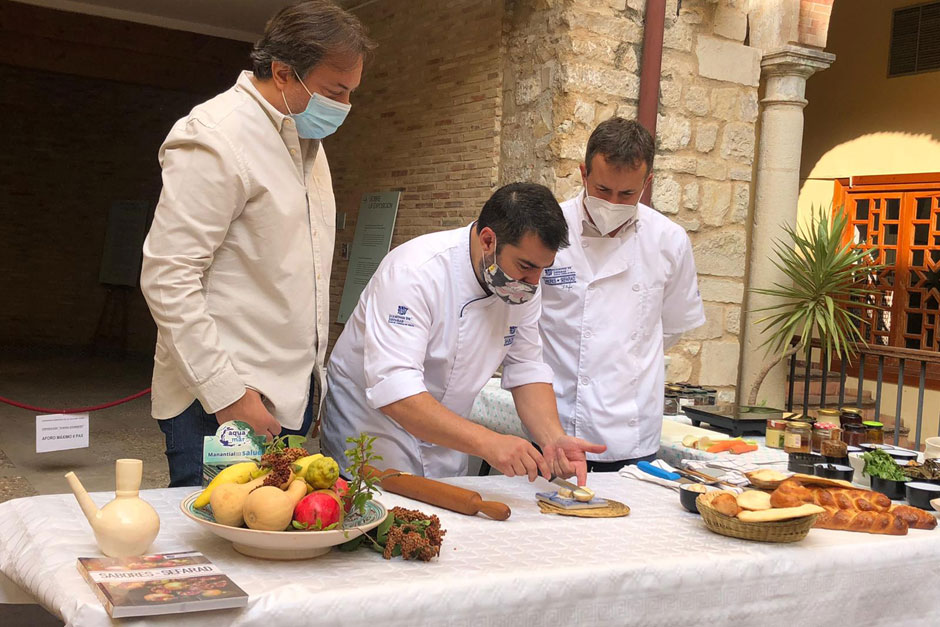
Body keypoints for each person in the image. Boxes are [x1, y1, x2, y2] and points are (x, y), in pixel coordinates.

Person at [140, 1, 375, 487]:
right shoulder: (217, 136)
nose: (346, 107)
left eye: (352, 92)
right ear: (284, 72)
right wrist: (228, 395)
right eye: (335, 91)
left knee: (270, 540)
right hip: (223, 402)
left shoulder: (307, 141)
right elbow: (167, 276)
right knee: (224, 544)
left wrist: (312, 383)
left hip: (286, 395)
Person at [321, 183, 606, 485]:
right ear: (487, 240)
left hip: (447, 443)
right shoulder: (414, 272)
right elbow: (396, 391)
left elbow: (526, 369)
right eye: (526, 266)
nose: (534, 282)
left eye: (543, 269)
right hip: (373, 435)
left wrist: (553, 439)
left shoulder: (521, 289)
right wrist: (489, 442)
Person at [538, 118, 705, 472]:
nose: (613, 202)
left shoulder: (668, 240)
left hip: (631, 432)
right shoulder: (548, 228)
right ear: (584, 174)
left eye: (627, 194)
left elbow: (671, 329)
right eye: (602, 190)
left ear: (647, 183)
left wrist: (625, 356)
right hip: (553, 423)